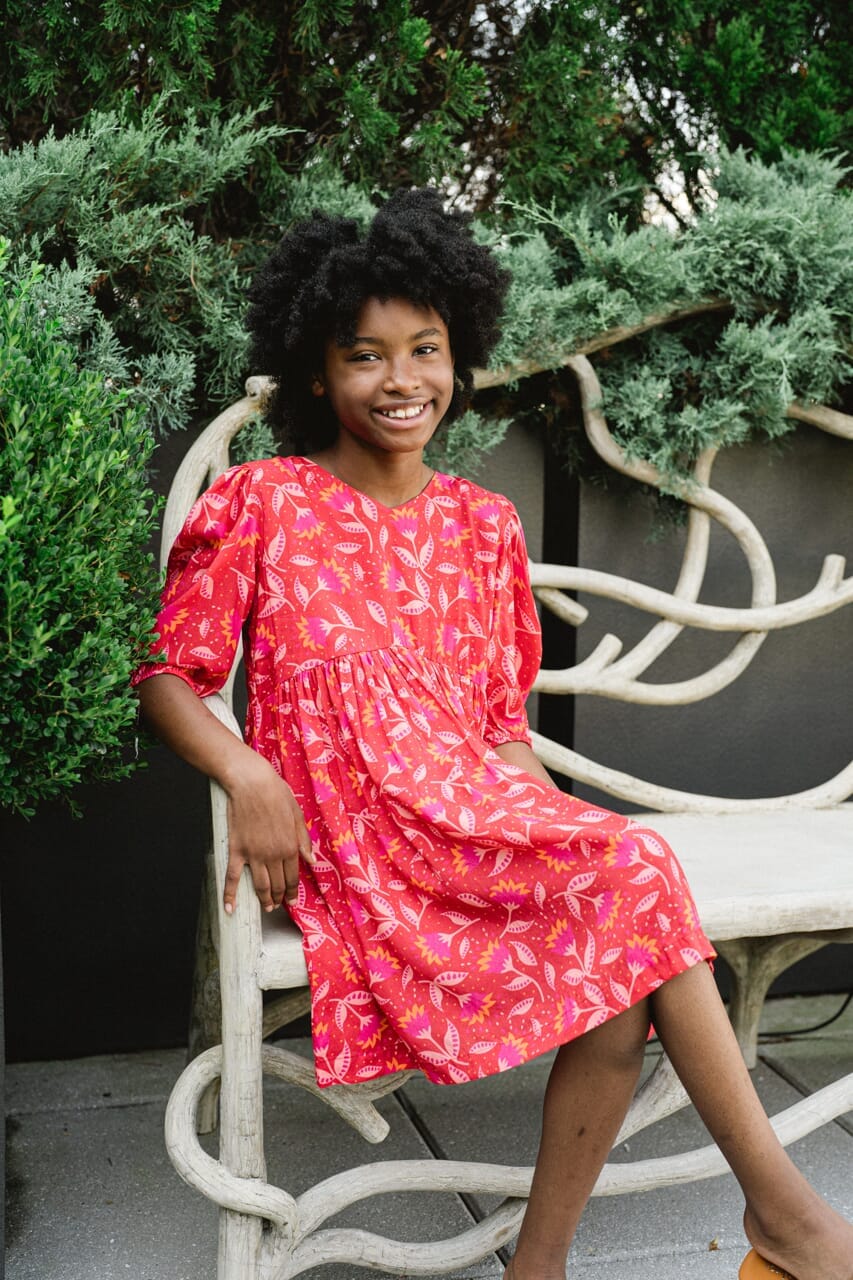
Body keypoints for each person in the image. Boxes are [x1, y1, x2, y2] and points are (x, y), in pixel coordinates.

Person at [134, 189, 853, 1280]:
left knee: (620, 909)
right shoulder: (263, 500)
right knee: (637, 880)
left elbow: (494, 729)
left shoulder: (482, 525)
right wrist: (244, 766)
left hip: (468, 813)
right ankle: (790, 1226)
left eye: (424, 348)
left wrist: (553, 834)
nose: (399, 379)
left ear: (457, 353)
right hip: (359, 843)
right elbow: (168, 674)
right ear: (318, 370)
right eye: (363, 354)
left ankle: (554, 1265)